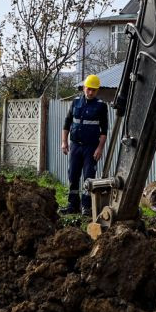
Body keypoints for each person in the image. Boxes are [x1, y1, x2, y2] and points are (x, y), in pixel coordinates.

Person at [61, 74, 108, 216]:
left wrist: (100, 148)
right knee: (73, 175)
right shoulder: (75, 102)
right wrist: (64, 142)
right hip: (75, 145)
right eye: (88, 89)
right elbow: (67, 123)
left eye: (94, 90)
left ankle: (86, 206)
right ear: (84, 88)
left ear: (97, 90)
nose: (91, 92)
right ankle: (72, 204)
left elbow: (104, 130)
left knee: (89, 176)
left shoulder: (101, 106)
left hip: (91, 147)